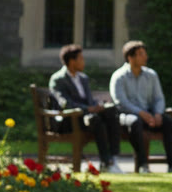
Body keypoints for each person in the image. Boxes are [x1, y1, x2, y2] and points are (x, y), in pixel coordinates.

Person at [48, 43, 124, 174]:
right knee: (95, 119)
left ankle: (113, 158)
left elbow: (90, 100)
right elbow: (65, 103)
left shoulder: (83, 78)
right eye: (81, 59)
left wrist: (99, 105)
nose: (84, 62)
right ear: (72, 61)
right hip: (70, 119)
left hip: (87, 117)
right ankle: (106, 161)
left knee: (112, 112)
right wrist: (88, 109)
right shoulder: (58, 79)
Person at [109, 40, 172, 174]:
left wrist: (158, 113)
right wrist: (141, 113)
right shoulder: (118, 77)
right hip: (126, 117)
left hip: (150, 115)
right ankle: (143, 165)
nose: (145, 57)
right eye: (141, 54)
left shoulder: (151, 75)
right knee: (135, 122)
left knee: (169, 122)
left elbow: (158, 98)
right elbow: (121, 102)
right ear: (130, 57)